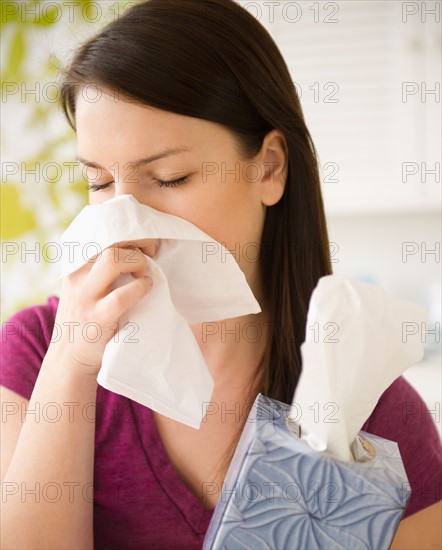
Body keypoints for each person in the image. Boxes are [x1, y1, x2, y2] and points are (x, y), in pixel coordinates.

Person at [1, 1, 440, 549]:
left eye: (170, 177)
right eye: (98, 183)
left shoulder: (368, 404)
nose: (127, 222)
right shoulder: (35, 354)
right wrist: (72, 360)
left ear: (270, 167)